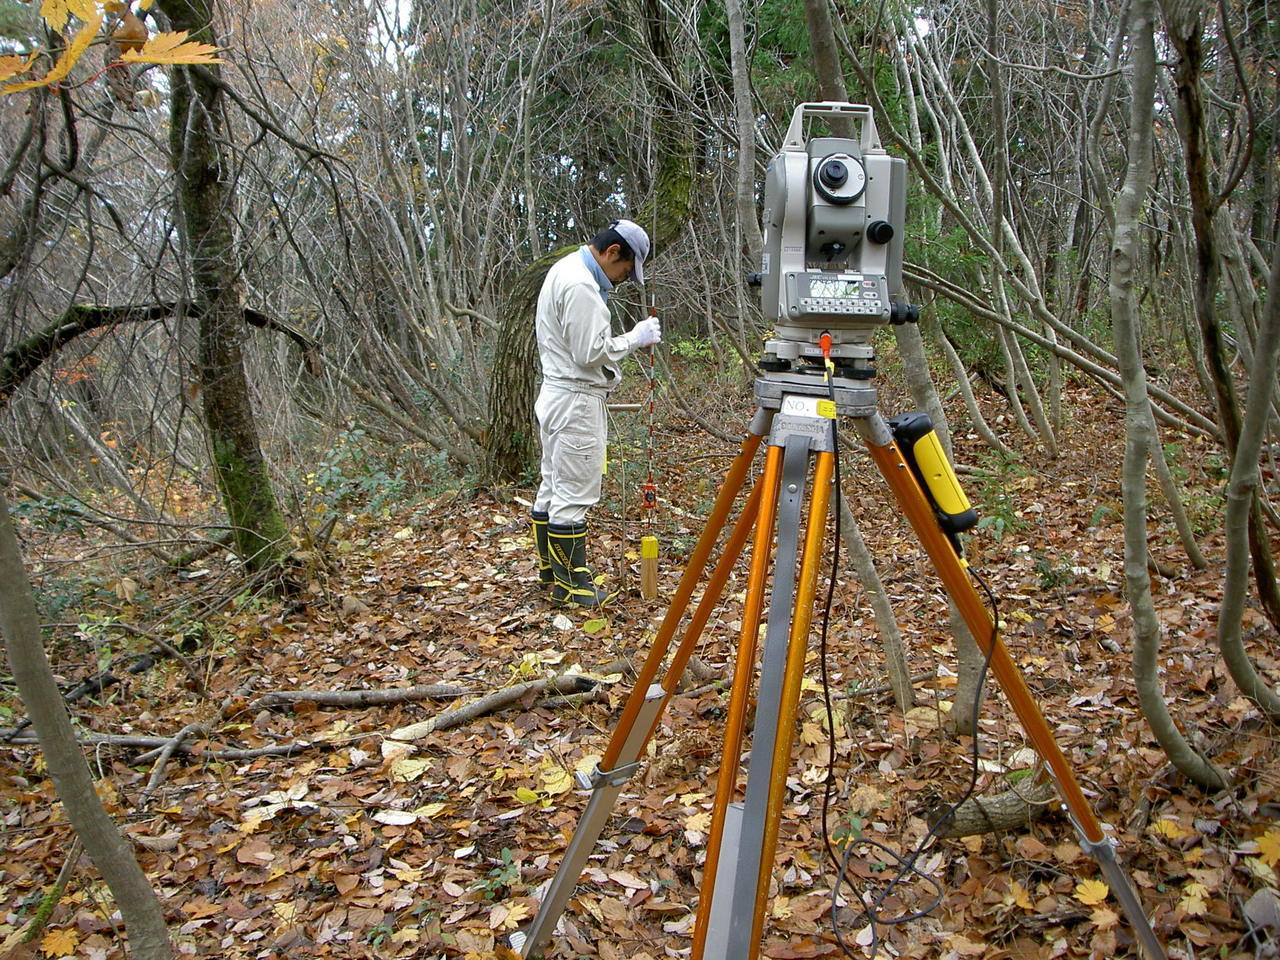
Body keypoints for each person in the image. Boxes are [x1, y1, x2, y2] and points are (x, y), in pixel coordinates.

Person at [530, 220, 662, 606]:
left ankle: (551, 573)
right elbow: (590, 352)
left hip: (558, 394)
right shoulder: (581, 286)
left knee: (553, 486)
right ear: (612, 252)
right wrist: (635, 338)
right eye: (624, 270)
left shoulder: (567, 270)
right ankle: (571, 587)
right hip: (575, 400)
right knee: (574, 493)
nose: (623, 279)